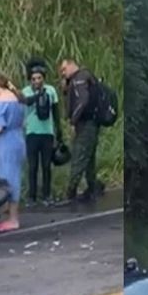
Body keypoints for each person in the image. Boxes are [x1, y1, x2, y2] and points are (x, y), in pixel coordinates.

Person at [0, 72, 26, 232]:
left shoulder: (1, 101)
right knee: (14, 176)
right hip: (18, 139)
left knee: (7, 179)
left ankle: (13, 218)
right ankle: (11, 214)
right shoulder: (18, 98)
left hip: (7, 142)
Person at [59, 58, 102, 202]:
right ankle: (92, 188)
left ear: (72, 65)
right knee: (89, 158)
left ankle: (70, 192)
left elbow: (82, 100)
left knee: (79, 156)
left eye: (64, 69)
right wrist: (65, 89)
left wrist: (73, 121)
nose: (62, 73)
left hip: (85, 124)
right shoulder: (85, 77)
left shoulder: (80, 79)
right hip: (92, 124)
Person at [21, 59, 62, 206]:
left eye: (39, 78)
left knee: (46, 166)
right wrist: (38, 94)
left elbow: (56, 113)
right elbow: (26, 102)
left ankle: (46, 194)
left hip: (47, 133)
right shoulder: (26, 92)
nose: (36, 81)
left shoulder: (51, 91)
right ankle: (31, 196)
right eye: (33, 79)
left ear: (44, 78)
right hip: (32, 133)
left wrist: (59, 132)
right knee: (32, 166)